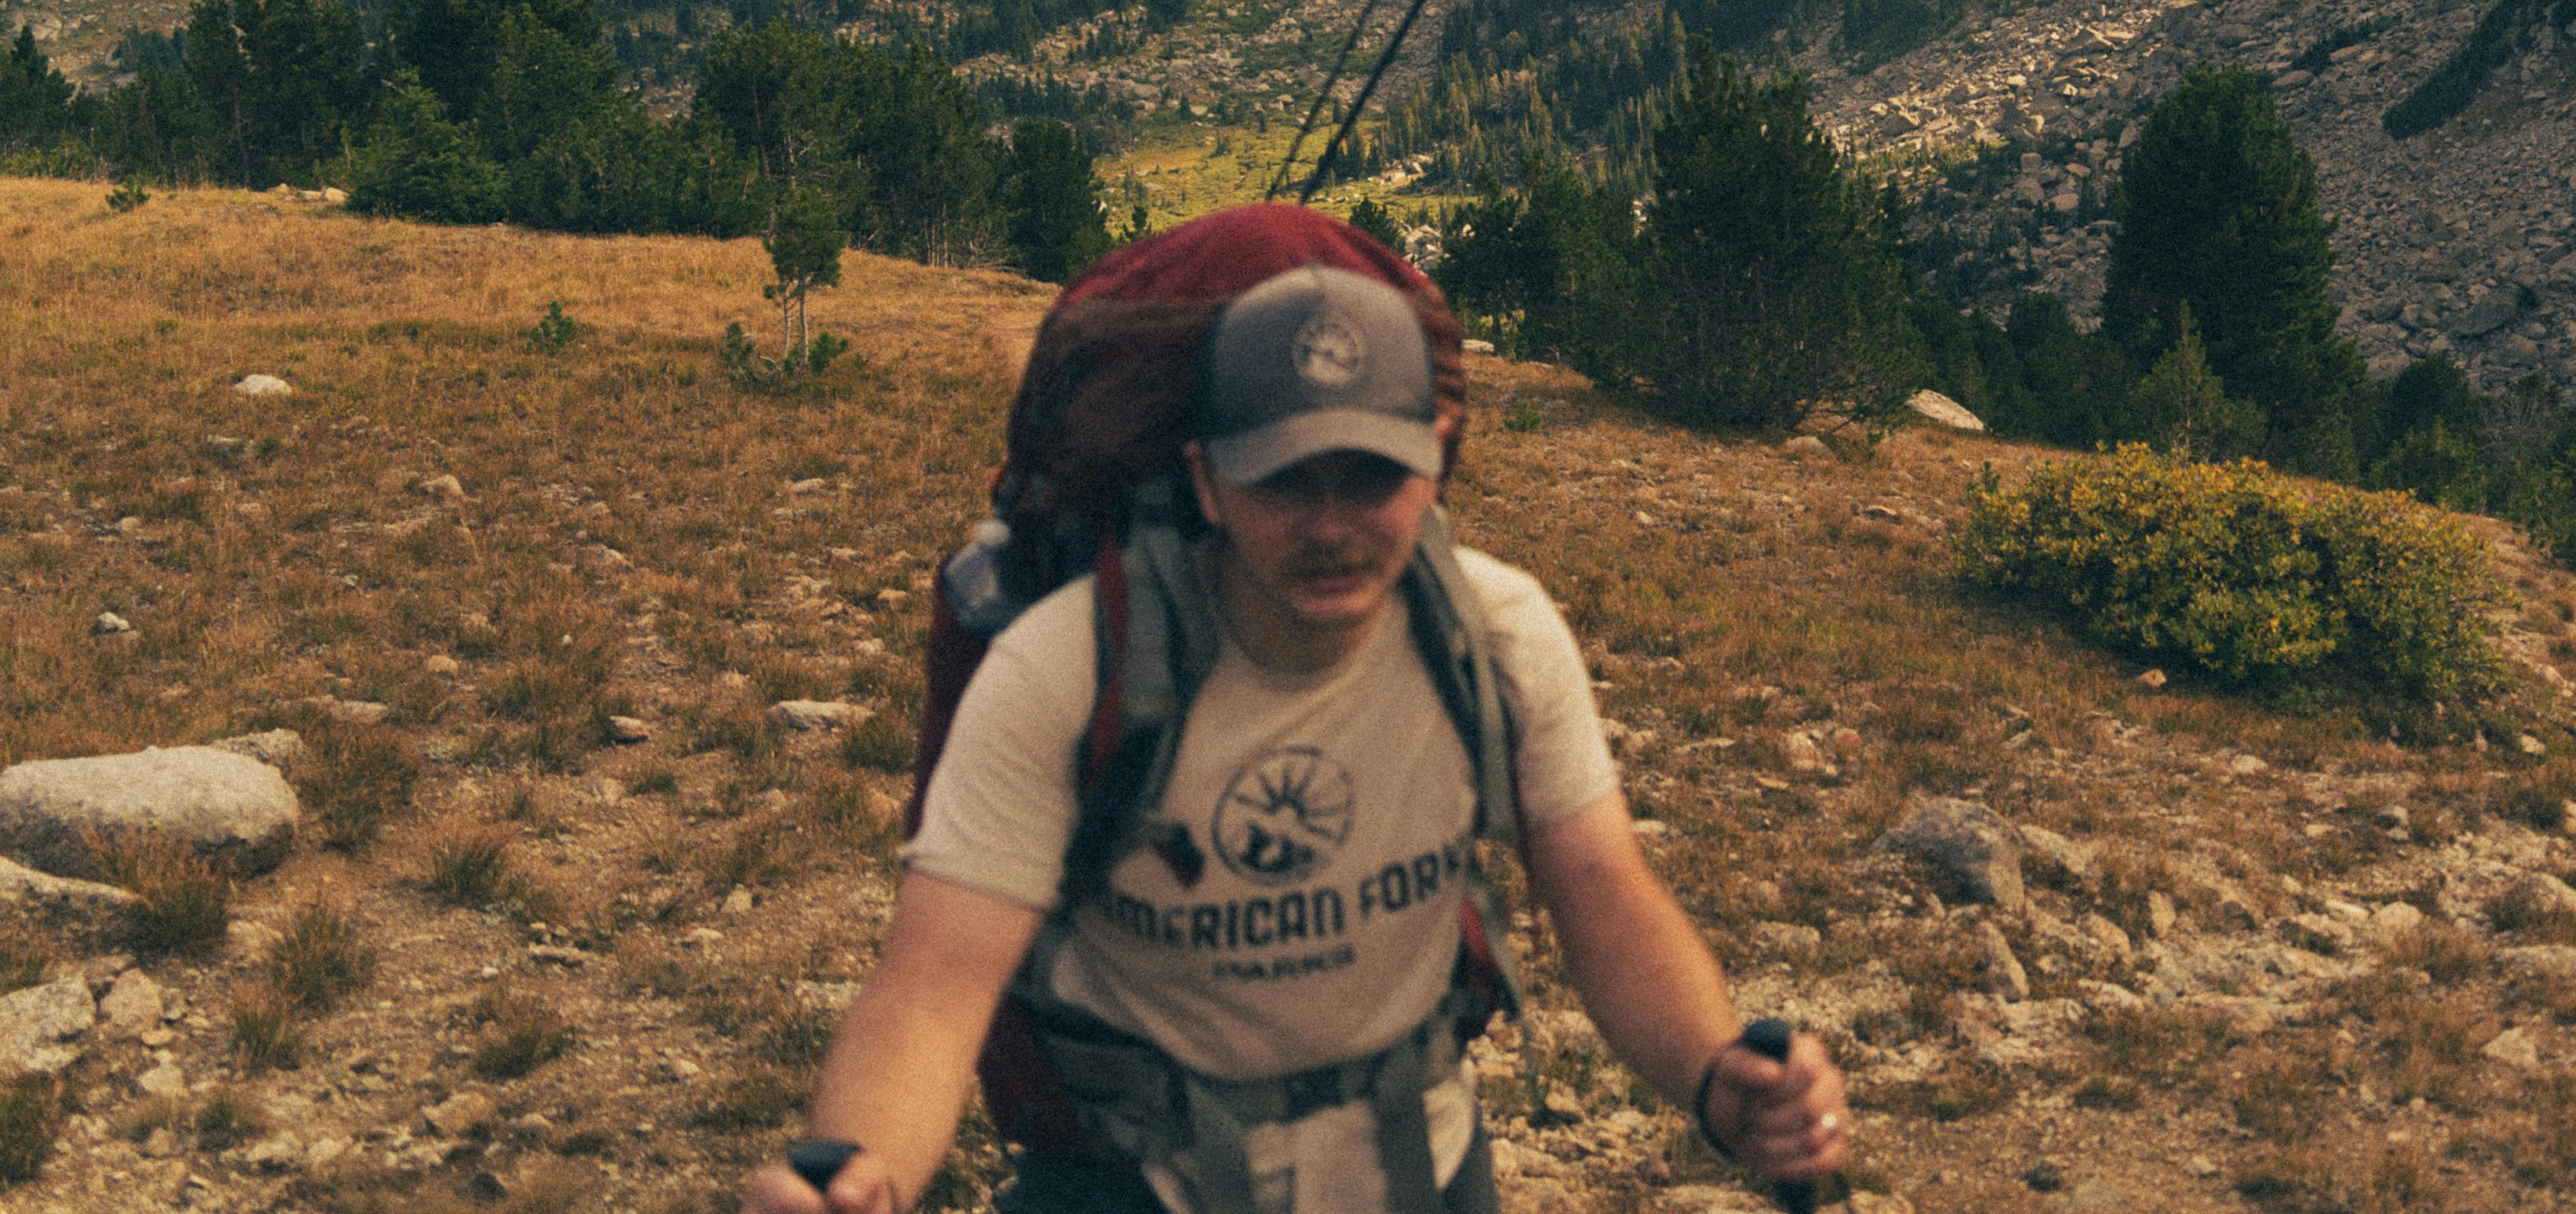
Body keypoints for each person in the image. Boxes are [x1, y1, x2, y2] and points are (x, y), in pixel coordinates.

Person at [741, 256, 1849, 1214]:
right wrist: (861, 1171)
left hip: (1417, 1162)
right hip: (1136, 1179)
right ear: (1206, 480)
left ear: (1436, 456)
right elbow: (934, 987)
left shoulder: (1495, 636)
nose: (1330, 528)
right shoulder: (1069, 670)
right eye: (1282, 480)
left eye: (1370, 476)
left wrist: (1716, 1077)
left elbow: (1605, 896)